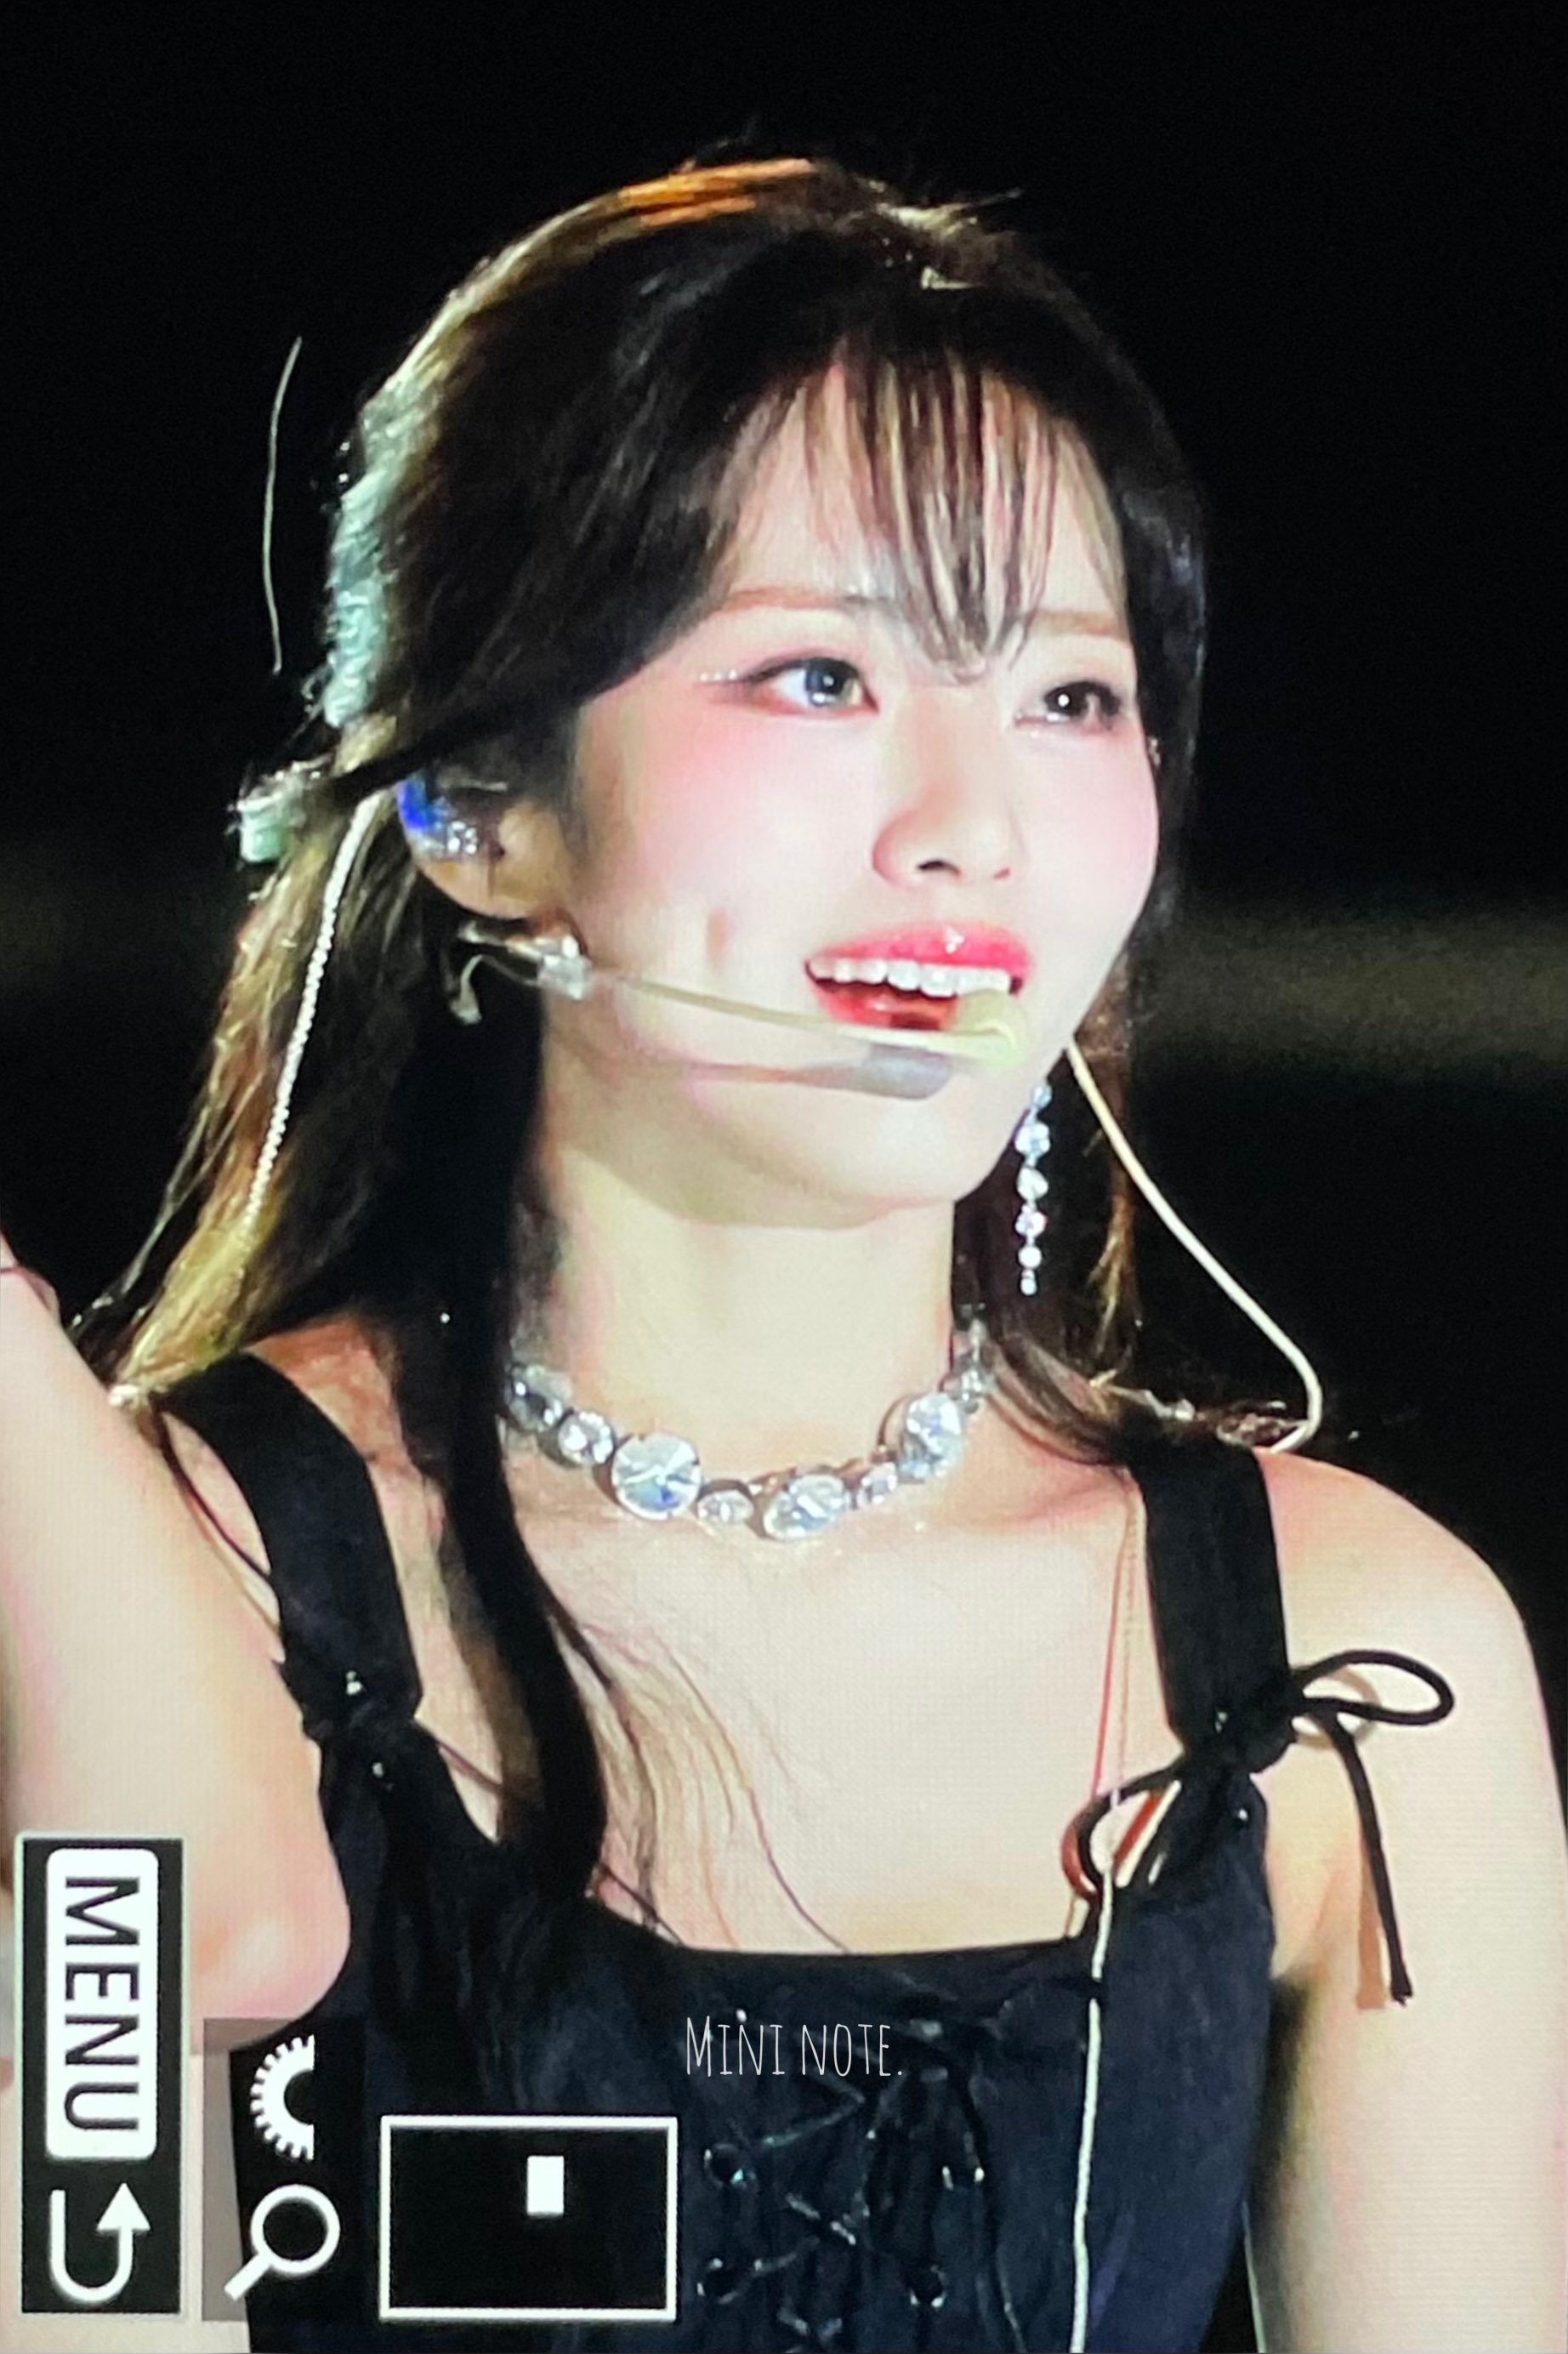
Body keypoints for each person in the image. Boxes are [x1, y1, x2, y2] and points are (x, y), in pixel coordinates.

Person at [1, 155, 1563, 2354]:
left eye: (1071, 697)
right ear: (477, 811)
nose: (973, 826)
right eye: (820, 675)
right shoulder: (160, 1570)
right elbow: (96, 2231)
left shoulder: (1355, 1662)